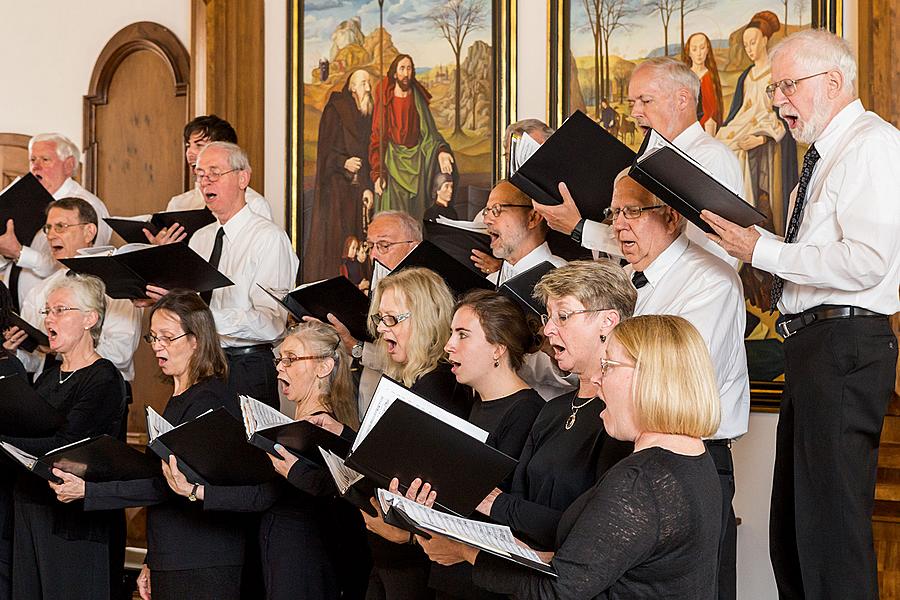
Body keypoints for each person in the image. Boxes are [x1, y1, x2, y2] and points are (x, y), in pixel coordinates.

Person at [702, 29, 900, 599]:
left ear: (833, 82)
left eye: (786, 85)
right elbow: (821, 258)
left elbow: (867, 261)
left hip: (844, 346)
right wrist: (766, 259)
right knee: (794, 538)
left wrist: (761, 250)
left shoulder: (870, 145)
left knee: (829, 540)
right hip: (815, 349)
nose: (777, 101)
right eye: (773, 89)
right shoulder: (826, 156)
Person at [411, 315, 722, 598]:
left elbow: (556, 593)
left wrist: (466, 552)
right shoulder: (693, 458)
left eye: (608, 366)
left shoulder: (638, 483)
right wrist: (525, 554)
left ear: (649, 377)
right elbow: (598, 567)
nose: (597, 381)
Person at [50, 291, 245, 600]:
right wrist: (152, 561)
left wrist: (89, 491)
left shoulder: (209, 400)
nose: (157, 347)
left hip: (203, 561)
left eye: (168, 337)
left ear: (196, 340)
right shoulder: (182, 397)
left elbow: (168, 486)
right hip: (175, 556)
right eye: (153, 337)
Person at [611, 170, 748, 599]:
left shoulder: (711, 282)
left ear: (671, 217)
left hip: (691, 461)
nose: (618, 225)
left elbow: (681, 380)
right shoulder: (622, 278)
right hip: (635, 454)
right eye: (613, 212)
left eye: (631, 211)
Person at [475, 261, 636, 552]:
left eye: (562, 316)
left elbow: (594, 530)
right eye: (547, 317)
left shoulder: (623, 419)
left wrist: (495, 503)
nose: (548, 330)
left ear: (607, 322)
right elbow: (520, 499)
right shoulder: (553, 409)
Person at [532, 57, 744, 269]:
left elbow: (702, 252)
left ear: (682, 100)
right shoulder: (652, 158)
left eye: (646, 101)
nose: (635, 113)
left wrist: (580, 228)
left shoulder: (712, 158)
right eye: (633, 103)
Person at [1, 274, 127, 599]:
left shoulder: (105, 378)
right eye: (46, 311)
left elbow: (69, 447)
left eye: (59, 309)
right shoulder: (47, 378)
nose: (49, 319)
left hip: (72, 523)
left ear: (90, 318)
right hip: (30, 510)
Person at [146, 141, 298, 410]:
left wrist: (202, 321)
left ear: (243, 178)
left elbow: (272, 322)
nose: (205, 182)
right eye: (200, 175)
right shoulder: (201, 239)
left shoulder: (269, 238)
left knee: (241, 451)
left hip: (245, 366)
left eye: (215, 173)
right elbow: (190, 304)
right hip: (201, 362)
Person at [425, 289, 545, 598]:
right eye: (452, 334)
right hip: (453, 576)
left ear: (498, 349)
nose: (449, 346)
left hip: (482, 582)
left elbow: (500, 508)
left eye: (463, 335)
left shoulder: (526, 412)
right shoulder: (478, 403)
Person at [266, 321, 370, 599]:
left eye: (291, 359)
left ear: (324, 367)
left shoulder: (328, 437)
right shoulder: (294, 431)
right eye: (279, 359)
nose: (279, 367)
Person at [3, 198, 142, 384]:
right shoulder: (42, 290)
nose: (51, 235)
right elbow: (36, 362)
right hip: (49, 389)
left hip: (102, 388)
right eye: (48, 228)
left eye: (61, 226)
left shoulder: (116, 284)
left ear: (89, 231)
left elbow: (120, 354)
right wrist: (14, 352)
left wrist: (61, 347)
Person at [0, 133, 111, 309]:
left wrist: (19, 253)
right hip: (16, 311)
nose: (36, 167)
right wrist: (6, 252)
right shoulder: (25, 200)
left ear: (69, 165)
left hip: (57, 311)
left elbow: (80, 266)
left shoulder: (85, 206)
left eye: (45, 159)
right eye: (32, 160)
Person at [327, 210, 423, 414]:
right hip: (368, 393)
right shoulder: (375, 285)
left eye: (384, 245)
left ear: (413, 247)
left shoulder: (427, 298)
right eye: (370, 246)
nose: (373, 255)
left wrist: (356, 347)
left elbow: (415, 356)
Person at [716, 11, 797, 230]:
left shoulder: (776, 73)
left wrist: (761, 139)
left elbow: (786, 114)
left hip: (767, 132)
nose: (750, 49)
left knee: (741, 151)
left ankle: (746, 219)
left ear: (764, 39)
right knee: (721, 145)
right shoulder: (746, 75)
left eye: (753, 42)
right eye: (746, 45)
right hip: (745, 124)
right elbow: (738, 111)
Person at [305, 69, 376, 281]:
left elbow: (366, 155)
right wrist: (344, 162)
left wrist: (366, 187)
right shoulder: (336, 110)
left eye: (369, 83)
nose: (368, 88)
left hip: (356, 190)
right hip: (336, 191)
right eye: (364, 83)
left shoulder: (365, 115)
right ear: (352, 87)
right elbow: (325, 152)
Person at [369, 54, 456, 219]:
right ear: (395, 73)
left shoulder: (417, 98)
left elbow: (429, 133)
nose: (406, 73)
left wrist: (441, 151)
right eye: (402, 68)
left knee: (415, 218)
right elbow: (377, 138)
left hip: (417, 165)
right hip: (392, 164)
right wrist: (378, 173)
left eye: (409, 68)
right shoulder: (385, 100)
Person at [163, 115, 272, 223]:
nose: (190, 153)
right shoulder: (178, 203)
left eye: (199, 145)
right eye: (188, 146)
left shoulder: (254, 203)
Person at [682, 32, 724, 135]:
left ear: (708, 50)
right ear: (689, 52)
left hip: (707, 127)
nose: (699, 53)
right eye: (694, 49)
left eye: (702, 48)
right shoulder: (685, 78)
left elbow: (713, 109)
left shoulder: (709, 76)